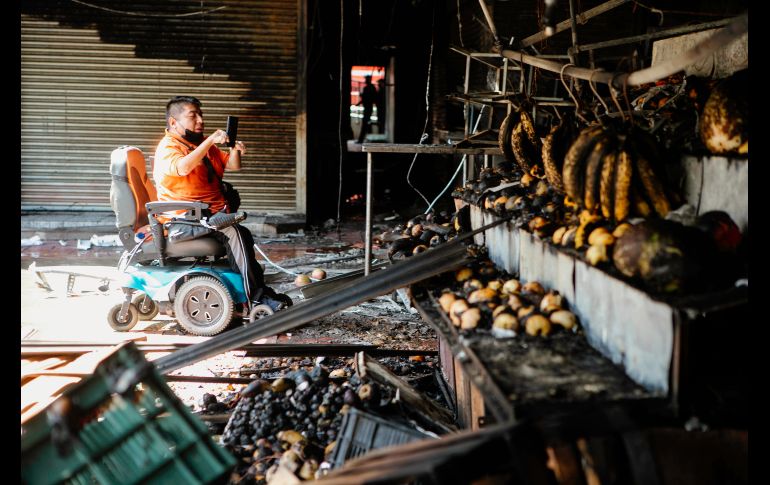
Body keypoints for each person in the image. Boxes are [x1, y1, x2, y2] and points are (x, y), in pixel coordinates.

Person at [153, 95, 292, 310]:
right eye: (193, 116)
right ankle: (255, 299)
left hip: (205, 216)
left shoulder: (199, 144)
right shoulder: (168, 148)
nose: (200, 120)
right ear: (173, 122)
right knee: (233, 232)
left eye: (201, 115)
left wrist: (234, 149)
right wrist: (209, 140)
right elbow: (182, 167)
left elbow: (234, 165)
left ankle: (259, 290)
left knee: (243, 234)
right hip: (184, 219)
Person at [357, 75, 378, 143]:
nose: (365, 80)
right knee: (367, 123)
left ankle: (361, 140)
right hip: (369, 107)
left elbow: (365, 98)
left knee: (365, 123)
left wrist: (361, 97)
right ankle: (368, 139)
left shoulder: (367, 88)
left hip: (367, 108)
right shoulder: (372, 87)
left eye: (366, 79)